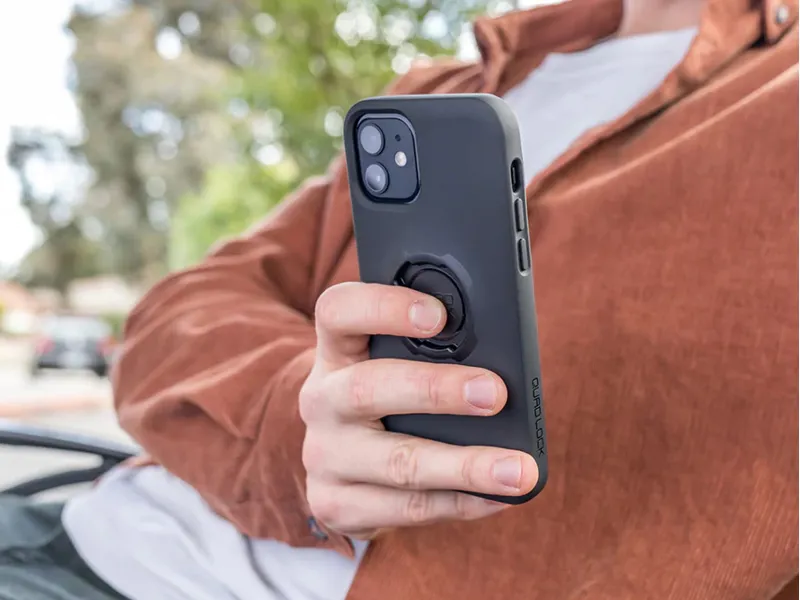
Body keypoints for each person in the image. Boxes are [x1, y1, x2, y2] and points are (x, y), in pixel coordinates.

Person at [1, 0, 797, 598]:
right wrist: (297, 420)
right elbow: (177, 313)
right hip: (83, 534)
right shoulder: (447, 88)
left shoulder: (774, 100)